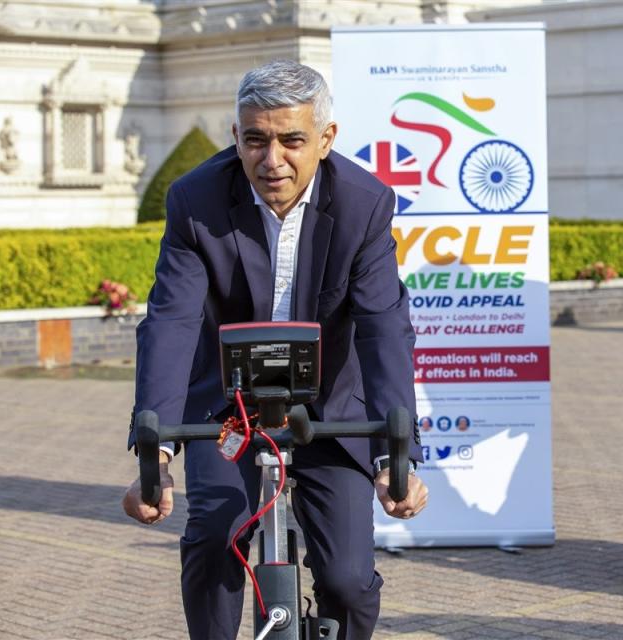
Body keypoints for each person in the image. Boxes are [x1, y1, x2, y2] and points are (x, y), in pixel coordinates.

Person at [121, 60, 428, 640]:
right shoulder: (196, 200)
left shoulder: (365, 203)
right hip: (228, 406)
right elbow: (171, 323)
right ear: (235, 137)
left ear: (326, 139)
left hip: (331, 405)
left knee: (347, 580)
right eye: (255, 139)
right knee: (214, 534)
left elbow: (384, 326)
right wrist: (154, 452)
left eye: (292, 140)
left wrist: (396, 456)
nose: (272, 159)